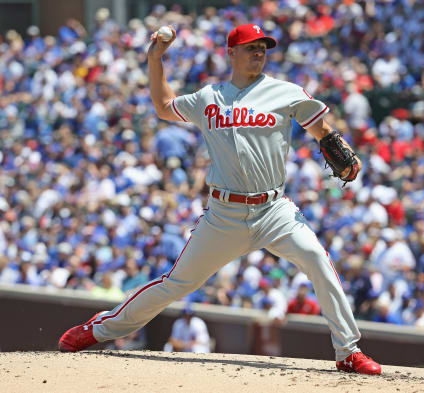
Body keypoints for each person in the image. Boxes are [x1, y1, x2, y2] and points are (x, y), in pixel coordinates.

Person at [58, 23, 381, 375]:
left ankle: (347, 350)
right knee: (176, 284)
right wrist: (156, 60)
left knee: (317, 259)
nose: (259, 52)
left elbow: (321, 130)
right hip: (224, 213)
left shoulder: (287, 92)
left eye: (263, 47)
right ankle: (99, 329)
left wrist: (339, 148)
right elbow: (164, 106)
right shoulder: (208, 97)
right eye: (250, 47)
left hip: (274, 210)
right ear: (231, 53)